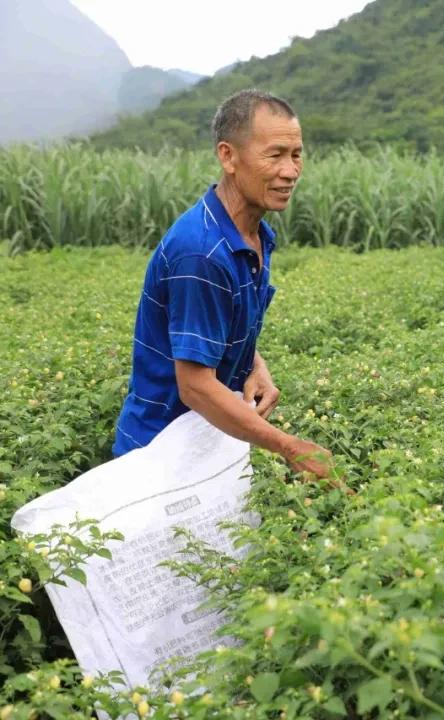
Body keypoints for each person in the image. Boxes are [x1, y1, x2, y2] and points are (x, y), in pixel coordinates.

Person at [112, 89, 332, 478]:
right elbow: (195, 387)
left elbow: (225, 325)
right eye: (274, 154)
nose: (290, 170)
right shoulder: (201, 253)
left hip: (204, 443)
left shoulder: (253, 235)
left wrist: (254, 364)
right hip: (158, 457)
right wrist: (289, 447)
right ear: (228, 156)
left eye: (296, 154)